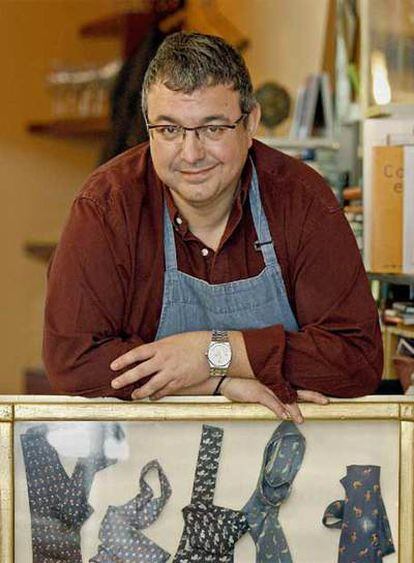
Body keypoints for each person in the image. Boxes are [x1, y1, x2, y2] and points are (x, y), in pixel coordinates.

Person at [43, 32, 383, 423]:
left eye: (213, 128)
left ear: (251, 121)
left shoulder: (301, 199)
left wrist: (214, 352)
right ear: (148, 126)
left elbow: (356, 361)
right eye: (169, 130)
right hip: (145, 461)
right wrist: (218, 383)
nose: (191, 154)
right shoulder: (108, 206)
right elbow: (72, 360)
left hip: (286, 454)